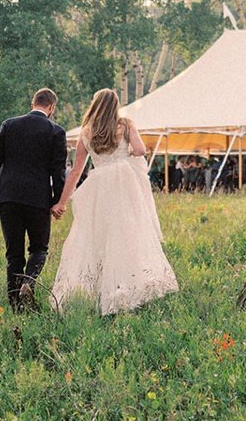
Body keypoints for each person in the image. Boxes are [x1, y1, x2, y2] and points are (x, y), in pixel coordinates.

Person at [50, 88, 178, 315]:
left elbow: (76, 171)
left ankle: (96, 291)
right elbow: (140, 150)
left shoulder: (86, 132)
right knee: (128, 234)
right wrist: (126, 151)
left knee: (99, 236)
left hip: (99, 187)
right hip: (124, 185)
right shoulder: (125, 125)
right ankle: (128, 288)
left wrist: (62, 202)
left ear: (95, 105)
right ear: (115, 106)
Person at [0, 87, 68, 311]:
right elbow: (58, 171)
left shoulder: (9, 124)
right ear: (51, 107)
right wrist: (57, 200)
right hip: (37, 199)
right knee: (39, 249)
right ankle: (28, 282)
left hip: (8, 197)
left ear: (33, 103)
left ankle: (16, 307)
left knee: (14, 254)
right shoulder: (56, 132)